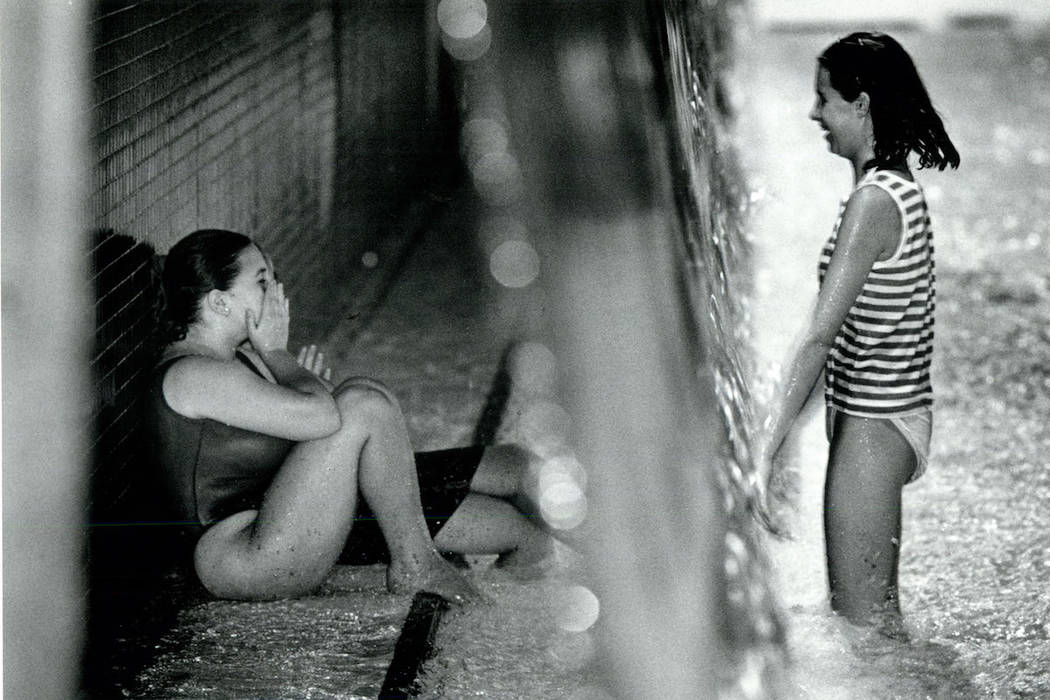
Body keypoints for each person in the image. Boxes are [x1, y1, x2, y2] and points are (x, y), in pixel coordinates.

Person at [143, 228, 554, 603]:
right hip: (243, 557)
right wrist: (281, 357)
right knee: (363, 402)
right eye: (262, 283)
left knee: (517, 497)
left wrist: (298, 382)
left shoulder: (238, 361)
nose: (276, 295)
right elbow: (326, 416)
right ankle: (415, 563)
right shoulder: (193, 374)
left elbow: (315, 420)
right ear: (219, 301)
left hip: (283, 523)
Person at [754, 32, 959, 640]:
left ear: (861, 103)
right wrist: (794, 435)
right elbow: (846, 334)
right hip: (881, 418)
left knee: (871, 636)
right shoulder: (891, 188)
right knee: (858, 626)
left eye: (824, 99)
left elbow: (819, 337)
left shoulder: (875, 201)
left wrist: (765, 447)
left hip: (875, 426)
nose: (814, 114)